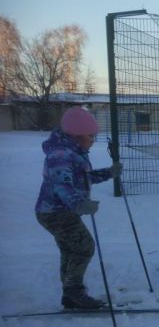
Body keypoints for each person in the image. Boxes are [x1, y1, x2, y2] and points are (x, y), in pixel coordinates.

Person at [35, 107, 122, 309]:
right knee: (84, 247)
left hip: (57, 212)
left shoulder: (72, 152)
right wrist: (79, 204)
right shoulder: (61, 155)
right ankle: (74, 291)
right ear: (76, 134)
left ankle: (70, 294)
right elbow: (62, 185)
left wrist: (109, 173)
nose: (92, 139)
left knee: (70, 249)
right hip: (56, 212)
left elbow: (82, 178)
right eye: (90, 135)